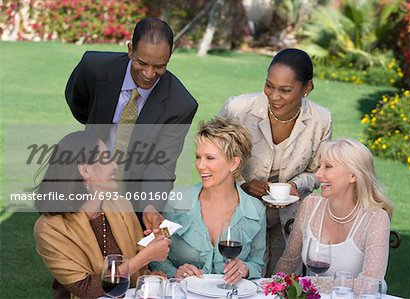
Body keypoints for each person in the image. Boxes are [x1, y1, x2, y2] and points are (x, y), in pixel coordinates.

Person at [65, 18, 198, 231]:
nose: (149, 74)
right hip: (87, 183)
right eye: (142, 63)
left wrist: (151, 205)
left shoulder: (180, 105)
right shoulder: (94, 67)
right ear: (130, 50)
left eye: (159, 66)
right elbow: (77, 102)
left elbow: (162, 164)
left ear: (170, 56)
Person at [219, 48, 332, 275]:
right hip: (241, 212)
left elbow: (316, 170)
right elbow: (216, 158)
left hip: (290, 218)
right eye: (269, 85)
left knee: (282, 283)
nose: (274, 96)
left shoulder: (321, 119)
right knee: (238, 277)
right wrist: (243, 183)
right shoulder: (238, 109)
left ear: (307, 88)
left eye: (285, 90)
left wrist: (295, 186)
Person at [33, 131, 171, 299]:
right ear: (85, 170)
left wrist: (151, 275)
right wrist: (145, 257)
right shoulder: (49, 229)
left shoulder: (120, 204)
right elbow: (86, 289)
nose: (114, 165)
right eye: (106, 158)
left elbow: (140, 271)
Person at [150, 117, 266, 284]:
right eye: (198, 157)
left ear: (233, 163)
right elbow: (154, 254)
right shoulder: (176, 201)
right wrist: (175, 272)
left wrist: (245, 269)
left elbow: (257, 264)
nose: (200, 165)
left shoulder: (256, 211)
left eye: (209, 158)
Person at [275, 138, 393, 291]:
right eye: (319, 166)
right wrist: (272, 287)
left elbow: (370, 284)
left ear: (353, 176)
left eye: (328, 167)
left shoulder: (375, 218)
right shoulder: (311, 205)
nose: (318, 174)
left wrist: (312, 284)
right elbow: (288, 262)